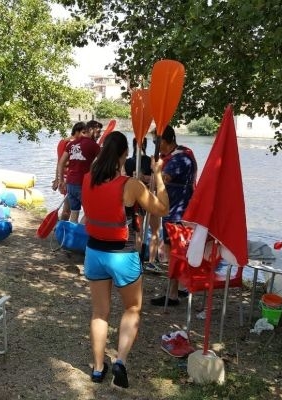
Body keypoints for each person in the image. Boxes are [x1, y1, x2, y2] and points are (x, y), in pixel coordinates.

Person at [81, 131, 169, 388]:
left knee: (100, 312)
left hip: (94, 253)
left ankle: (98, 368)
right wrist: (158, 175)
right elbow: (163, 208)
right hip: (122, 255)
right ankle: (120, 361)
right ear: (124, 155)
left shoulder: (87, 178)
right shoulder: (131, 185)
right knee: (132, 308)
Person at [150, 125, 198, 306]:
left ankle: (172, 294)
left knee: (175, 251)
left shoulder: (180, 158)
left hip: (177, 211)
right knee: (175, 251)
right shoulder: (175, 156)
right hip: (173, 209)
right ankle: (180, 288)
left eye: (156, 142)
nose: (155, 146)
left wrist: (153, 173)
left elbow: (163, 180)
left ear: (166, 141)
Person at [124, 137, 162, 273]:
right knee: (154, 230)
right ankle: (150, 261)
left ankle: (137, 260)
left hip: (137, 199)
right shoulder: (150, 161)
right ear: (145, 145)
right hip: (149, 197)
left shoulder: (127, 162)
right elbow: (155, 180)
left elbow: (124, 179)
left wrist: (140, 178)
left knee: (138, 231)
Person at [57, 122, 100, 223]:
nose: (99, 134)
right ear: (90, 130)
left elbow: (61, 162)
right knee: (90, 213)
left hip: (70, 184)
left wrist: (61, 180)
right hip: (83, 184)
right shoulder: (94, 146)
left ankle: (72, 232)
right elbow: (103, 164)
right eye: (98, 132)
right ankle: (79, 231)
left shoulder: (71, 144)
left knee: (74, 213)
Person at [52, 123, 83, 220]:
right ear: (77, 132)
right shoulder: (71, 144)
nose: (85, 136)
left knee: (69, 209)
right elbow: (62, 162)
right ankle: (62, 226)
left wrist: (57, 179)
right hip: (69, 179)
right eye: (83, 132)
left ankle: (62, 225)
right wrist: (59, 179)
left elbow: (59, 162)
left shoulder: (63, 142)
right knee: (68, 209)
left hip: (67, 178)